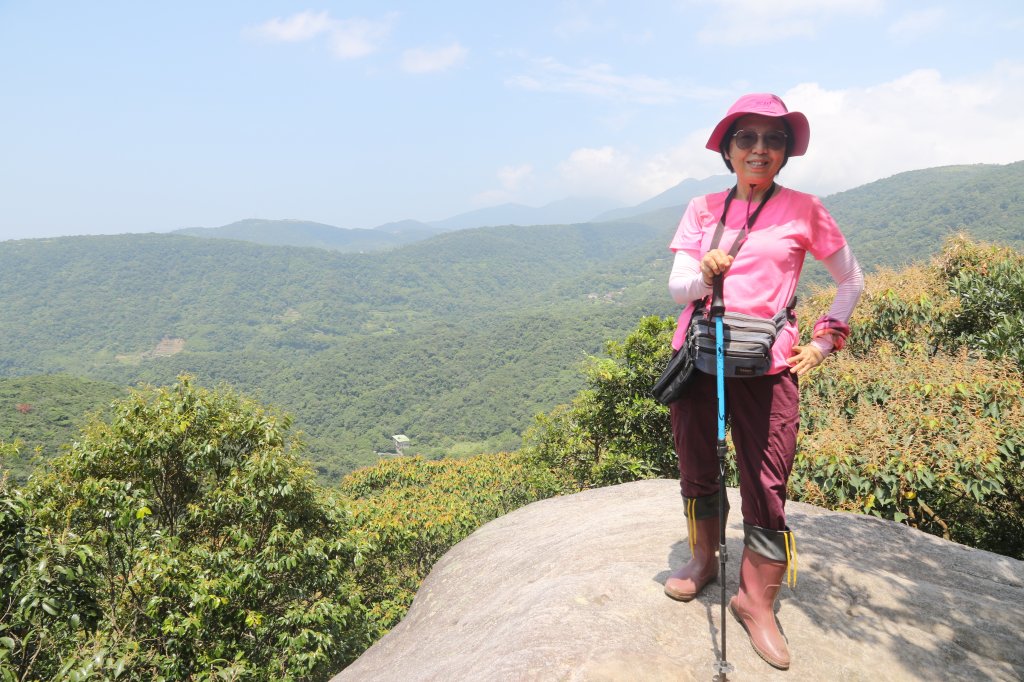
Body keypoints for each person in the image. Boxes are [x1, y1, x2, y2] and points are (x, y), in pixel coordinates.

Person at [662, 93, 864, 670]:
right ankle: (704, 561)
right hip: (700, 356)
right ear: (728, 150)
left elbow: (851, 279)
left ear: (784, 153)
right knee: (697, 463)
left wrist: (825, 339)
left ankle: (756, 599)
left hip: (768, 363)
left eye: (772, 139)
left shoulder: (805, 209)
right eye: (746, 138)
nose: (759, 149)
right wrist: (704, 272)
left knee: (767, 478)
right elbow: (677, 288)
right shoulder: (703, 209)